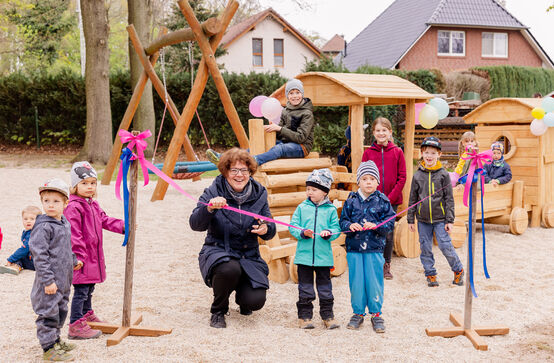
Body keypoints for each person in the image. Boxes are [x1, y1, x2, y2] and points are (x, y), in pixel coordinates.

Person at [190, 148, 276, 328]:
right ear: (225, 172)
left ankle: (242, 297)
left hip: (248, 256)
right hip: (219, 250)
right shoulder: (213, 190)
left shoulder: (259, 192)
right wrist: (210, 208)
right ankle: (218, 311)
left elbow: (271, 227)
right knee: (229, 269)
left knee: (255, 301)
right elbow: (195, 224)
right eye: (234, 170)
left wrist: (265, 228)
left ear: (250, 172)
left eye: (244, 170)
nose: (239, 175)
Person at [63, 161, 125, 340]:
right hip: (81, 259)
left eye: (92, 183)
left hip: (93, 257)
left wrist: (123, 226)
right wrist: (79, 257)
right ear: (75, 185)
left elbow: (104, 220)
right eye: (84, 183)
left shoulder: (93, 204)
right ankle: (75, 324)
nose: (89, 187)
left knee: (89, 289)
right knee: (81, 291)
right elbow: (74, 235)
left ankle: (86, 314)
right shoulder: (73, 207)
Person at [339, 161, 396, 332]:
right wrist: (349, 226)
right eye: (365, 178)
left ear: (377, 182)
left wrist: (377, 226)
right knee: (356, 282)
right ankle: (358, 313)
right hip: (354, 249)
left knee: (374, 281)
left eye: (372, 178)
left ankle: (376, 314)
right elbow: (342, 221)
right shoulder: (351, 200)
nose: (369, 182)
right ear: (358, 182)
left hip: (374, 249)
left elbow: (390, 223)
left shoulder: (383, 200)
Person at [29, 178, 82, 361]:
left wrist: (74, 260)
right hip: (49, 283)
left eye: (56, 201)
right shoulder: (43, 226)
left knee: (61, 310)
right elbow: (40, 255)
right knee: (48, 314)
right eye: (46, 201)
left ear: (66, 203)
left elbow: (66, 246)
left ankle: (56, 340)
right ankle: (48, 348)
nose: (50, 205)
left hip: (64, 279)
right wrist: (48, 281)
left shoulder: (63, 222)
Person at [206, 78, 315, 166]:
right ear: (287, 95)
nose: (295, 96)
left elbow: (301, 137)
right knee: (257, 146)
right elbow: (280, 132)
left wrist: (280, 129)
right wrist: (272, 129)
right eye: (291, 93)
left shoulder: (307, 113)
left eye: (297, 92)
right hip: (286, 143)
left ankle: (255, 161)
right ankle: (224, 158)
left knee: (279, 148)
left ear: (302, 94)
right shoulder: (286, 110)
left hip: (301, 147)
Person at [407, 137, 464, 288]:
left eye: (433, 153)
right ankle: (430, 274)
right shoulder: (417, 175)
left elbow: (449, 199)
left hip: (440, 219)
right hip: (423, 220)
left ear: (439, 154)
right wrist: (410, 219)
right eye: (426, 152)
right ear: (422, 154)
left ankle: (458, 270)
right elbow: (412, 198)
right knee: (425, 247)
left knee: (445, 245)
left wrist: (449, 220)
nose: (429, 156)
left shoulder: (444, 174)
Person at [289, 169, 341, 330]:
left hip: (323, 258)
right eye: (308, 189)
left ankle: (328, 316)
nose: (309, 192)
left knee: (325, 288)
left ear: (324, 192)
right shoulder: (301, 207)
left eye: (314, 189)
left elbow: (336, 229)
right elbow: (293, 227)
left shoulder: (331, 210)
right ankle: (304, 317)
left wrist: (329, 234)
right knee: (305, 288)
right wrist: (302, 233)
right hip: (304, 257)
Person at [361, 117, 406, 279]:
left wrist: (389, 198)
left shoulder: (397, 152)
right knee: (372, 230)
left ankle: (386, 264)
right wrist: (372, 196)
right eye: (378, 130)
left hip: (391, 202)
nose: (381, 133)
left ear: (390, 132)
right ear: (373, 133)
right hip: (372, 200)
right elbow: (363, 176)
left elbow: (402, 177)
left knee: (387, 232)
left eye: (384, 130)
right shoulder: (368, 153)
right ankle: (373, 263)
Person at [0, 206, 41, 275]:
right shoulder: (28, 231)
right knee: (21, 255)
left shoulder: (33, 234)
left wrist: (11, 259)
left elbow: (25, 249)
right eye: (25, 219)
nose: (28, 221)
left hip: (36, 262)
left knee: (19, 256)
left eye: (32, 219)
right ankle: (16, 265)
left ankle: (16, 266)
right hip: (37, 260)